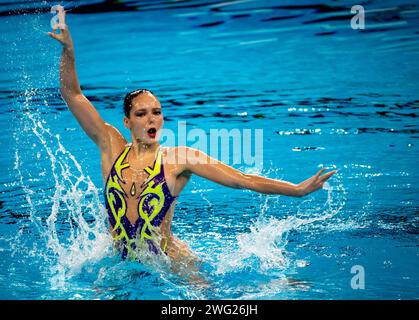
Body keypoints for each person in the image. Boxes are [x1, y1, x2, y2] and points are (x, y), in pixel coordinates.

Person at [47, 24, 337, 286]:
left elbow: (242, 180)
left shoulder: (178, 159)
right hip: (118, 260)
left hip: (168, 260)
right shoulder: (110, 146)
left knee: (208, 298)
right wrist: (69, 50)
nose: (152, 120)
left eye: (157, 113)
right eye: (142, 114)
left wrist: (297, 190)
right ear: (127, 121)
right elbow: (73, 95)